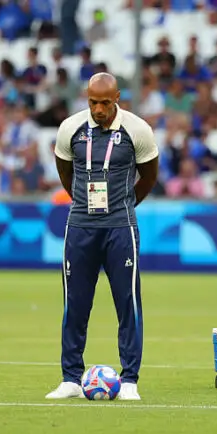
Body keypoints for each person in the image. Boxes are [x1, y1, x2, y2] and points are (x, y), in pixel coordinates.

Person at [46, 73, 159, 401]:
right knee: (75, 305)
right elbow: (65, 173)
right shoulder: (71, 128)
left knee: (128, 304)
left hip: (121, 228)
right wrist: (84, 204)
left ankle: (130, 381)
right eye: (93, 102)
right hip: (80, 227)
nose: (98, 109)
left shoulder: (137, 130)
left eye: (105, 103)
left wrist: (122, 205)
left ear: (117, 98)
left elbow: (149, 177)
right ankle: (70, 378)